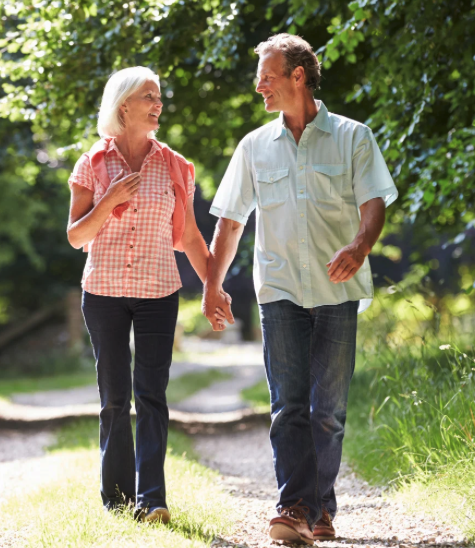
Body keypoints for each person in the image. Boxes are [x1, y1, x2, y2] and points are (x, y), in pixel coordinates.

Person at [203, 34, 398, 545]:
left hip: (338, 290)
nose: (258, 86)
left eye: (266, 75)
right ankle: (293, 506)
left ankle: (321, 509)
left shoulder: (354, 137)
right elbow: (229, 222)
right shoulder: (253, 146)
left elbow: (374, 201)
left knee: (326, 411)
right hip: (281, 289)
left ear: (297, 76)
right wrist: (211, 285)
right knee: (287, 407)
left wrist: (359, 246)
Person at [66, 66, 228, 524]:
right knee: (114, 398)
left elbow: (193, 238)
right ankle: (117, 502)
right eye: (149, 97)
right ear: (123, 106)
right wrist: (109, 200)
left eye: (159, 97)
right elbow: (77, 236)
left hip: (159, 292)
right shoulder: (92, 164)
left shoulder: (174, 165)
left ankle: (152, 500)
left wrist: (213, 287)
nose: (158, 104)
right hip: (103, 294)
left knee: (152, 394)